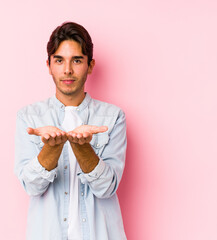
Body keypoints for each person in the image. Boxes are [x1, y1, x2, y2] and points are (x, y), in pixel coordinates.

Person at [14, 21, 127, 240]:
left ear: (90, 65)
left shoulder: (113, 117)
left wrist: (82, 148)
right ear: (49, 65)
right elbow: (31, 186)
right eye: (59, 60)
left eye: (76, 60)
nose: (67, 70)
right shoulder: (29, 118)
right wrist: (51, 149)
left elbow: (107, 188)